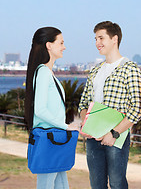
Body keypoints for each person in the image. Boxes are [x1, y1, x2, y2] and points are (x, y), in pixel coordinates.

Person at [78, 21, 141, 189]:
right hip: (93, 138)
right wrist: (87, 125)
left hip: (117, 138)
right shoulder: (95, 70)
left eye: (101, 38)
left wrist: (113, 133)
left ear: (114, 39)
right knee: (96, 184)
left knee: (117, 183)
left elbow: (137, 108)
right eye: (95, 38)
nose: (97, 43)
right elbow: (83, 103)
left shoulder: (130, 69)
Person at [24, 27, 79, 189]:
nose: (64, 47)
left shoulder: (47, 72)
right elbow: (40, 110)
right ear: (49, 45)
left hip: (54, 141)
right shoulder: (43, 73)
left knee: (61, 186)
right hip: (49, 140)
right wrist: (66, 126)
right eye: (61, 43)